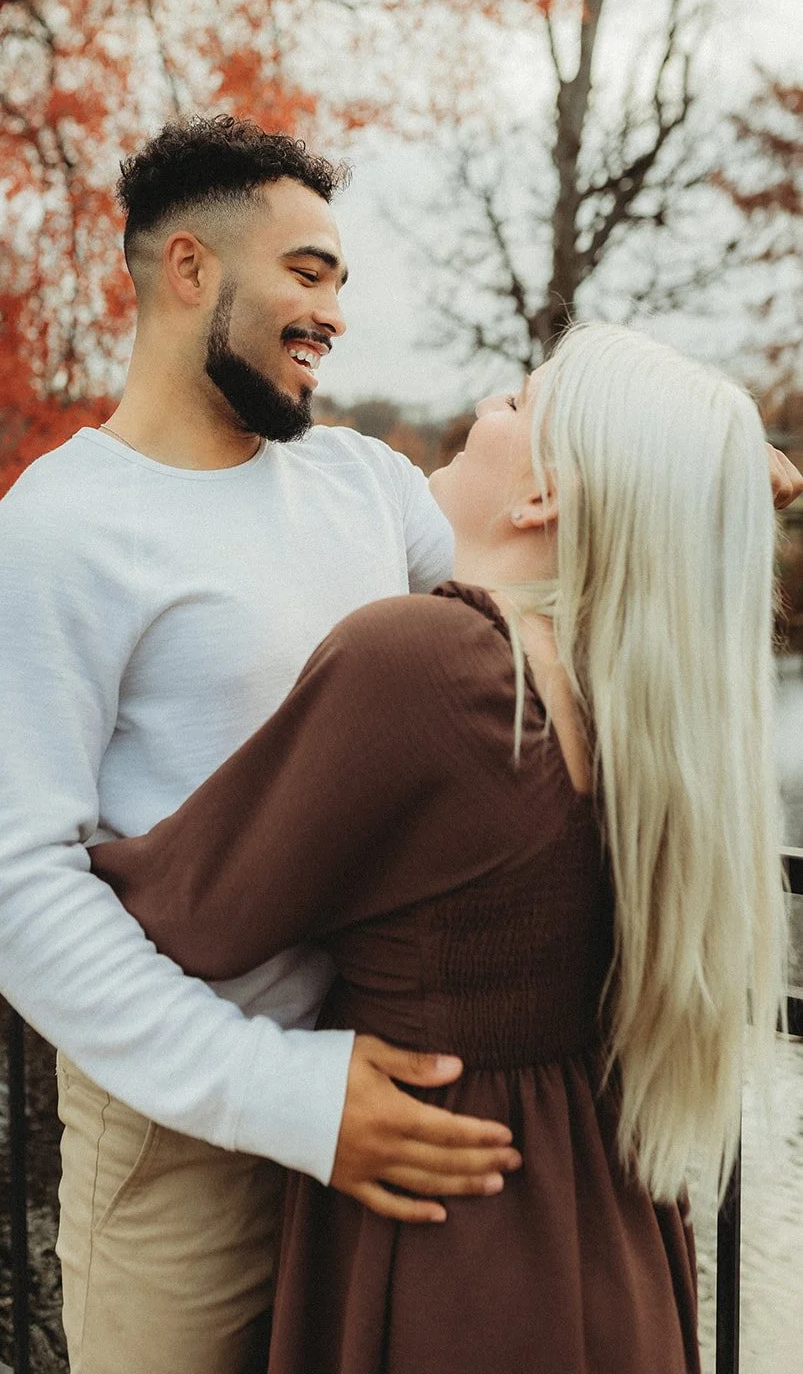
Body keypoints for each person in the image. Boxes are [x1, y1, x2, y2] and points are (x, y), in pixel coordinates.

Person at [0, 116, 522, 1374]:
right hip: (182, 1137)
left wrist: (685, 475)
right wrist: (283, 1096)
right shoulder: (49, 539)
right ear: (191, 269)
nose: (334, 313)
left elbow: (518, 606)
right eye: (306, 272)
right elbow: (8, 884)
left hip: (389, 1078)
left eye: (339, 283)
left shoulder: (365, 486)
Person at [90, 322, 789, 1374]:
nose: (481, 414)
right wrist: (719, 480)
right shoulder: (642, 698)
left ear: (542, 494)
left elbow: (183, 913)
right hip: (604, 1228)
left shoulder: (428, 665)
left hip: (447, 1253)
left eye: (514, 402)